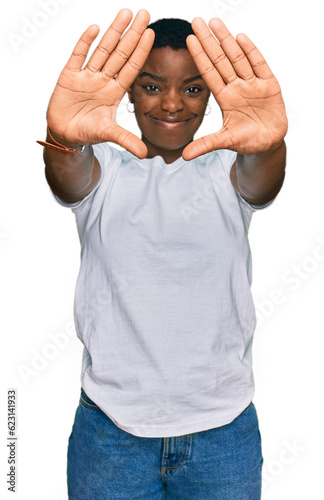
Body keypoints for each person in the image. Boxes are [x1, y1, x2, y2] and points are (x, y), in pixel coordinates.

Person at [38, 8, 287, 499]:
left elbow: (262, 179)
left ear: (213, 94)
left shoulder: (227, 169)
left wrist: (270, 145)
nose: (172, 103)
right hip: (110, 431)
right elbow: (66, 177)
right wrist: (63, 138)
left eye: (193, 88)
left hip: (223, 430)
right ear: (128, 90)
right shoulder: (102, 168)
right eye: (152, 85)